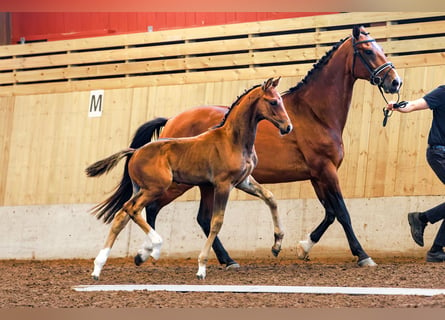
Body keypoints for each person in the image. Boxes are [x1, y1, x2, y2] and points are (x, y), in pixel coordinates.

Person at [387, 85, 445, 262]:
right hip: (439, 153)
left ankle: (435, 248)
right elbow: (413, 105)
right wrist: (398, 106)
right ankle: (422, 220)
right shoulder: (443, 92)